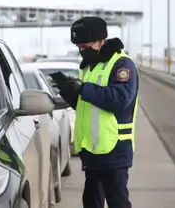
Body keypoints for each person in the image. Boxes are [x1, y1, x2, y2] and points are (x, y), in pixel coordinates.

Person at [48, 16, 139, 208]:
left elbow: (120, 100)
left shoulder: (121, 65)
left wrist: (83, 89)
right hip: (92, 151)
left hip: (114, 149)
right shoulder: (90, 67)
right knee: (91, 202)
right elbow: (88, 106)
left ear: (101, 41)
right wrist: (70, 92)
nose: (83, 51)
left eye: (86, 46)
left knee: (117, 202)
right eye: (79, 48)